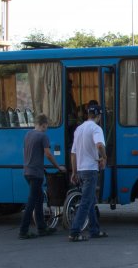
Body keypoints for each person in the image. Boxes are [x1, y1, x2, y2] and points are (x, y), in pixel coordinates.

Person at [19, 114, 65, 240]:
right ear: (44, 124)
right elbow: (48, 154)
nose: (46, 129)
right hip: (36, 174)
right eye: (46, 126)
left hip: (27, 172)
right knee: (32, 202)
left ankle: (42, 228)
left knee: (38, 199)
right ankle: (23, 230)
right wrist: (58, 167)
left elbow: (26, 152)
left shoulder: (28, 134)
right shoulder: (43, 136)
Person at [67, 103, 107, 242]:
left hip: (82, 169)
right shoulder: (96, 129)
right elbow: (100, 145)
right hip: (91, 169)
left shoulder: (79, 129)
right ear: (98, 115)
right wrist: (104, 157)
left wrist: (74, 171)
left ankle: (94, 230)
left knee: (89, 200)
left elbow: (73, 153)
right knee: (86, 201)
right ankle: (74, 231)